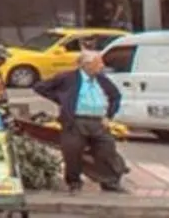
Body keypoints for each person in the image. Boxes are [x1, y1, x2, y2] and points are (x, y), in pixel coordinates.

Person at [36, 47, 128, 194]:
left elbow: (115, 96)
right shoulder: (68, 78)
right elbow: (41, 87)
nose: (102, 66)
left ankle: (110, 182)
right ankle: (74, 183)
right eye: (99, 63)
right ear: (87, 64)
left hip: (98, 121)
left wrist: (108, 115)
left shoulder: (101, 79)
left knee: (107, 149)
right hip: (75, 121)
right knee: (73, 152)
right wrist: (62, 100)